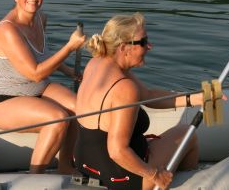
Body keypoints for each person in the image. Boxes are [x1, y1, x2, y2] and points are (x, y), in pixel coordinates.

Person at [74, 12, 203, 190]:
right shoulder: (124, 88)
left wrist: (196, 98)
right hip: (120, 176)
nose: (149, 46)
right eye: (142, 42)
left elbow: (148, 95)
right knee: (189, 135)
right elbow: (117, 151)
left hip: (87, 164)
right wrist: (154, 174)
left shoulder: (96, 63)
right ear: (123, 47)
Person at [0, 0, 86, 174]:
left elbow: (41, 56)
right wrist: (69, 48)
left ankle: (65, 166)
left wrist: (68, 71)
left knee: (78, 109)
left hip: (38, 88)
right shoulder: (8, 30)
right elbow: (35, 72)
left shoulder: (40, 18)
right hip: (4, 99)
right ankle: (34, 177)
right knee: (57, 118)